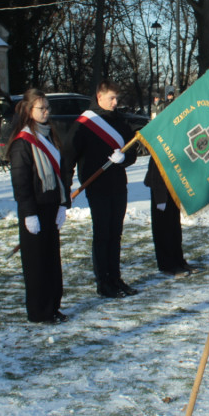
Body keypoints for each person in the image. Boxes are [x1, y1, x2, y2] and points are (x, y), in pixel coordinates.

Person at [63, 80, 138, 298]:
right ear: (99, 97)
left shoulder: (119, 121)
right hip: (97, 186)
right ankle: (103, 281)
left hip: (118, 184)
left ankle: (115, 277)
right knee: (102, 233)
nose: (115, 102)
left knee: (116, 234)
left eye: (117, 98)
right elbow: (68, 157)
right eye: (111, 98)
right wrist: (65, 186)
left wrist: (124, 158)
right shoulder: (85, 123)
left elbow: (132, 149)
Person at [8, 88, 72, 324]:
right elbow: (21, 182)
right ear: (29, 110)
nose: (46, 112)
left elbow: (62, 172)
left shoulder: (50, 135)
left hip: (52, 206)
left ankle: (53, 306)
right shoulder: (22, 143)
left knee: (52, 261)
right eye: (41, 108)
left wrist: (63, 204)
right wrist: (28, 213)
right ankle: (39, 311)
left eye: (47, 108)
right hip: (34, 210)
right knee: (36, 264)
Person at [144, 155, 193, 276]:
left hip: (173, 181)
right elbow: (156, 169)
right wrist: (160, 199)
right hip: (160, 186)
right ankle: (167, 265)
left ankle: (178, 261)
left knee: (174, 225)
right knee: (162, 227)